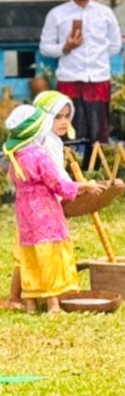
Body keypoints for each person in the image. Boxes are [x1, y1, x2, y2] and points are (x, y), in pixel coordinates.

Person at [3, 105, 102, 314]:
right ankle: (52, 303)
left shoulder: (15, 156)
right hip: (44, 211)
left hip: (25, 212)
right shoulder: (39, 155)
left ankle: (30, 302)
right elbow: (57, 183)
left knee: (30, 253)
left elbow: (16, 181)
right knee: (49, 254)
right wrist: (84, 186)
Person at [39, 0, 122, 158]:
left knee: (98, 132)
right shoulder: (57, 14)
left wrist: (97, 60)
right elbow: (45, 47)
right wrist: (66, 48)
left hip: (98, 80)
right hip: (69, 79)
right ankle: (69, 171)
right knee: (67, 130)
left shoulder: (105, 14)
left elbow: (115, 46)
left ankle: (97, 170)